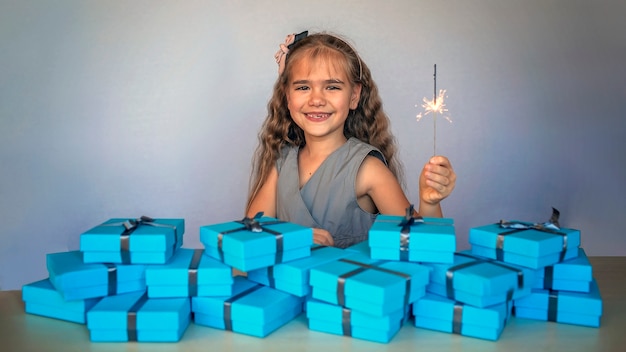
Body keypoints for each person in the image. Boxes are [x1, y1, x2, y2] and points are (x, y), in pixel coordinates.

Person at [245, 31, 456, 248]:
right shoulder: (282, 163)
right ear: (288, 97)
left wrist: (430, 203)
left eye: (332, 87)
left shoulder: (368, 169)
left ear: (354, 96)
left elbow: (425, 248)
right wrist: (293, 239)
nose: (316, 99)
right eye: (303, 87)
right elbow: (247, 237)